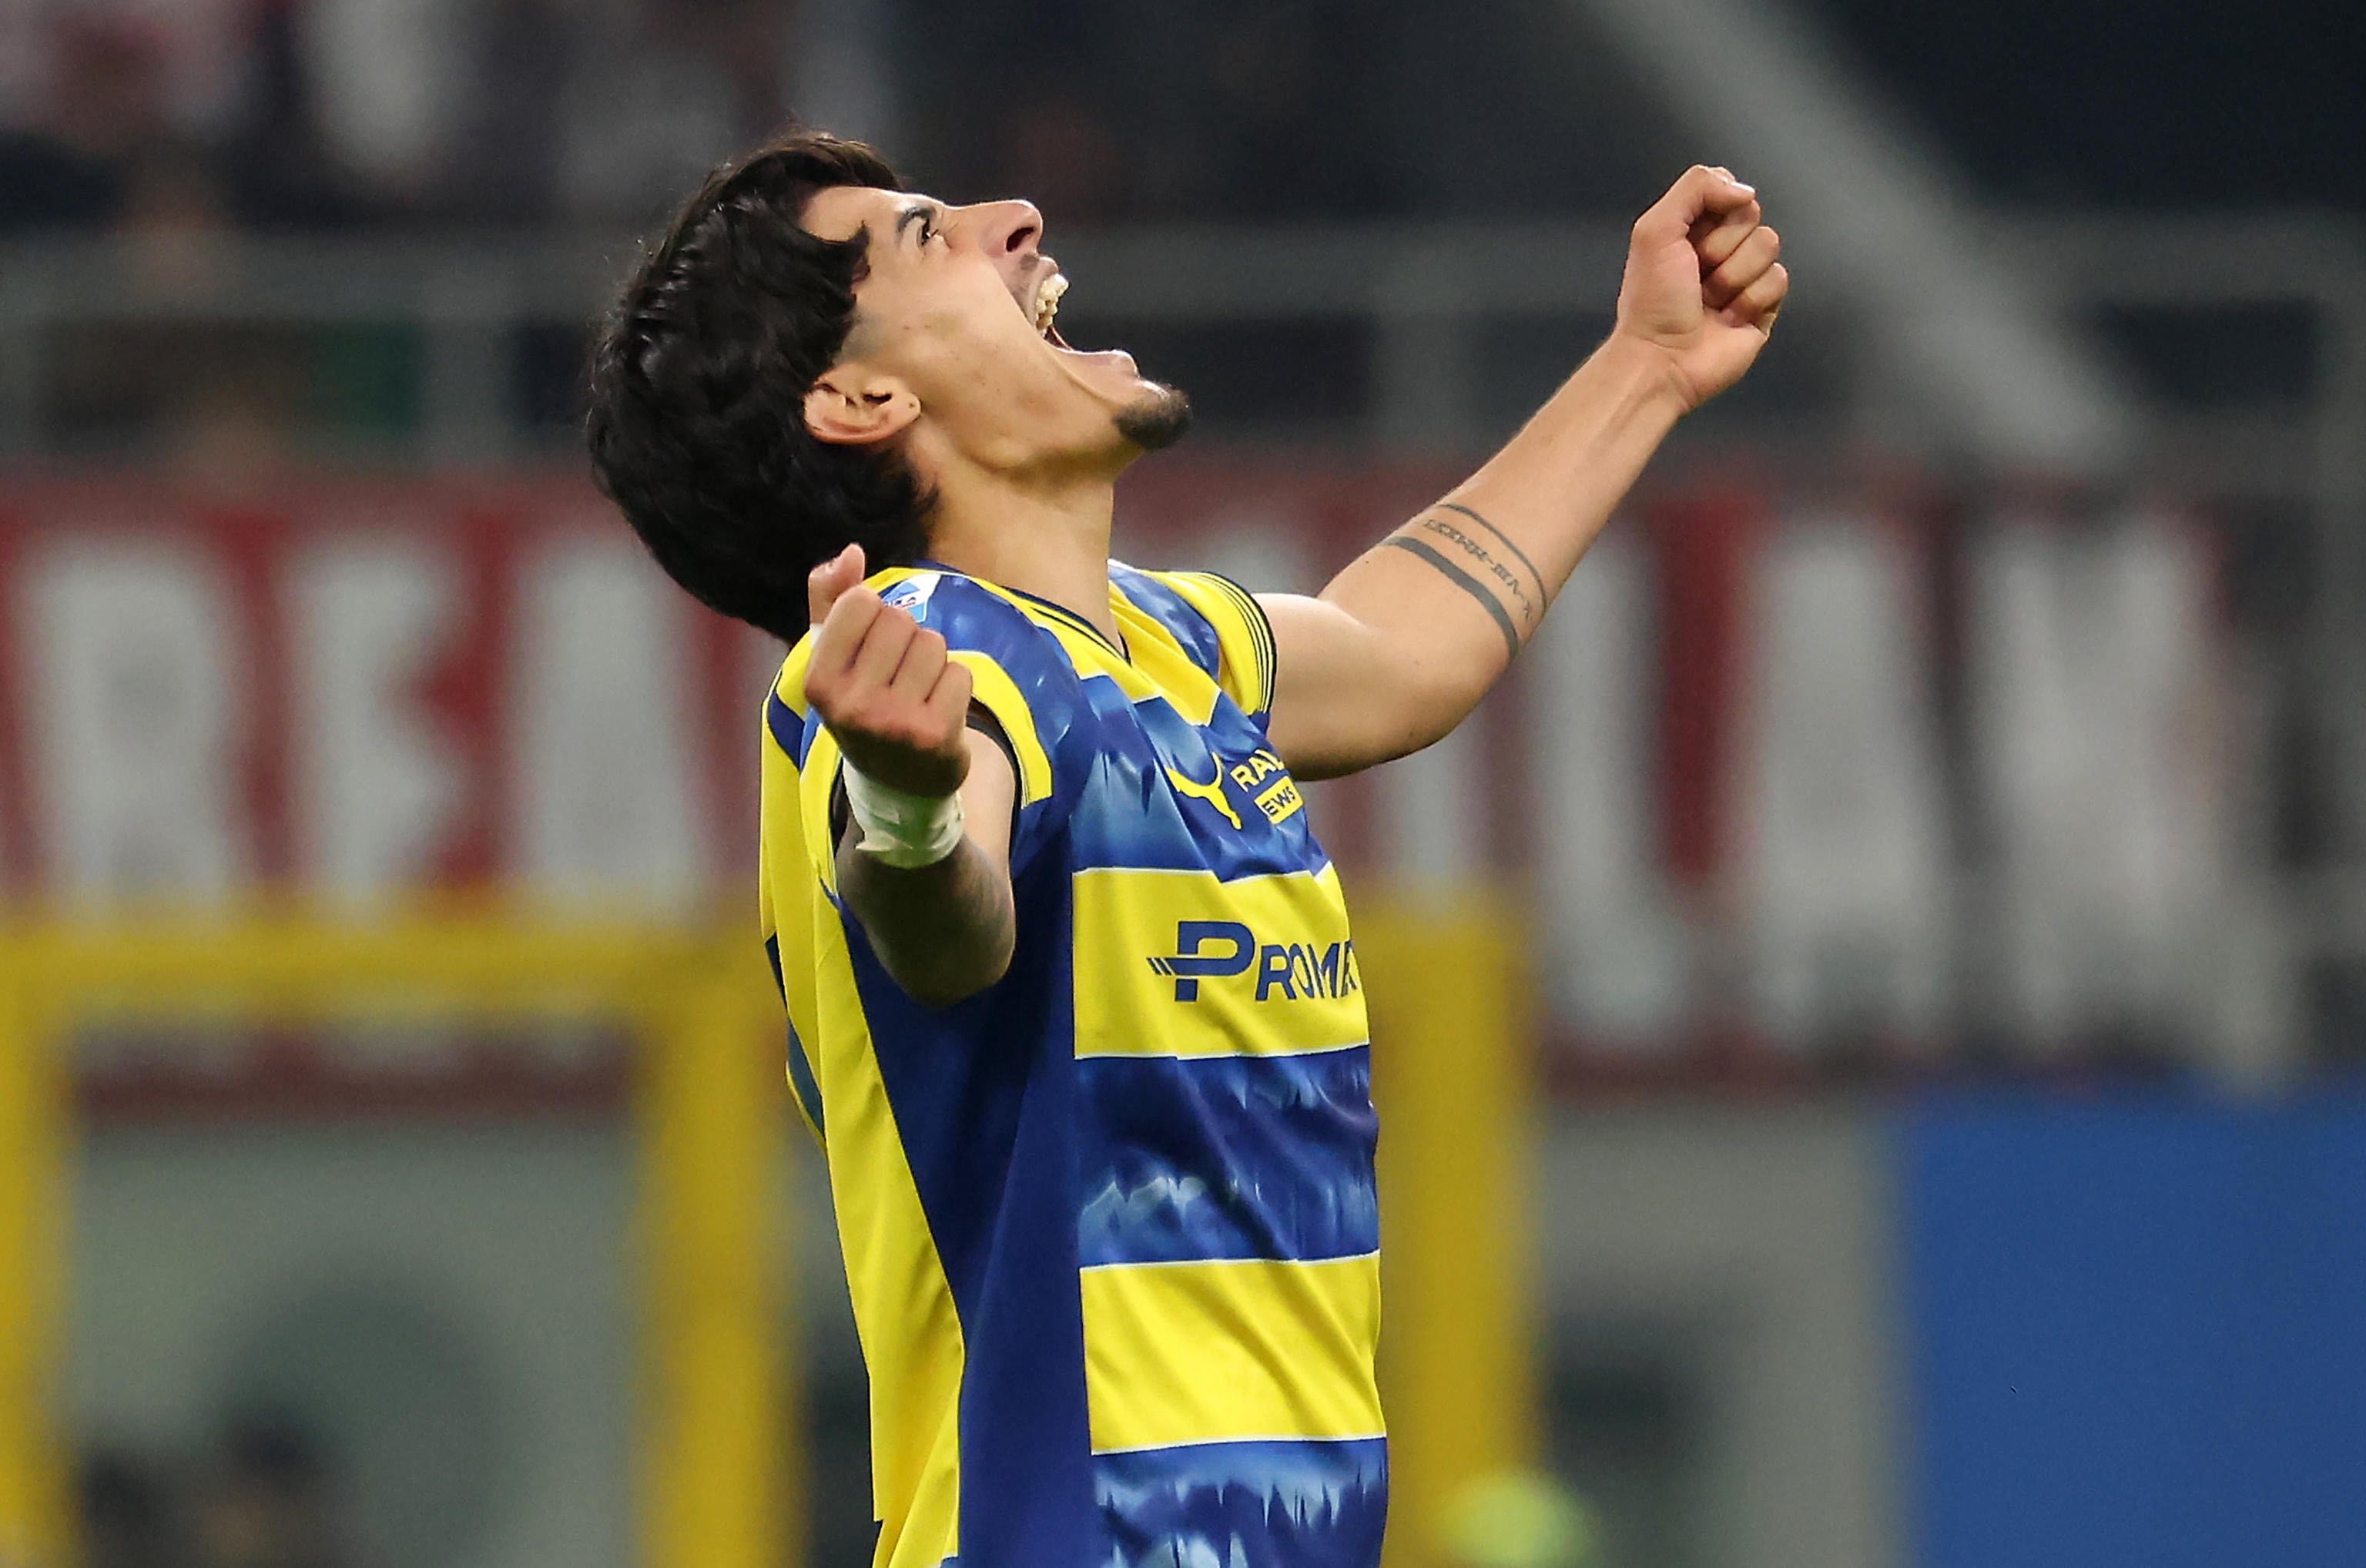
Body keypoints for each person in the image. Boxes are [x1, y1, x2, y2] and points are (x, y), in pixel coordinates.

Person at [586, 129, 1783, 1568]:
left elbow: (1410, 650)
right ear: (858, 395)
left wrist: (1647, 364)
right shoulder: (932, 656)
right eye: (925, 235)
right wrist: (902, 810)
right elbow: (945, 909)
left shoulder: (1172, 648)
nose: (1014, 216)